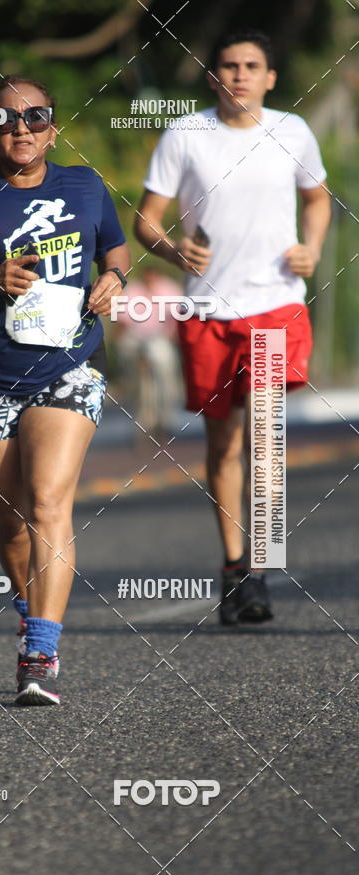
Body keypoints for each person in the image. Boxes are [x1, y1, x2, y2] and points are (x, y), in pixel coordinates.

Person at [0, 75, 129, 704]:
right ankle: (29, 603)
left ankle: (40, 650)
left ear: (53, 127)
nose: (22, 128)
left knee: (46, 502)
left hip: (70, 365)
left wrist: (116, 279)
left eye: (35, 117)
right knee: (11, 520)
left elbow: (115, 252)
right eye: (8, 119)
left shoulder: (86, 185)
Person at [134, 29, 331, 625]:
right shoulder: (185, 134)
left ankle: (260, 573)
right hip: (208, 313)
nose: (240, 74)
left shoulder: (291, 131)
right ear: (212, 74)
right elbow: (147, 221)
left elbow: (318, 198)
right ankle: (234, 565)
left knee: (265, 436)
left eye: (252, 65)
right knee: (223, 444)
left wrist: (312, 249)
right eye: (228, 65)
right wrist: (174, 252)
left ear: (270, 77)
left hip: (275, 305)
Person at [113, 265, 183, 438]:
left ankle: (166, 418)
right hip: (135, 339)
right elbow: (122, 323)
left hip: (161, 339)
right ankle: (142, 416)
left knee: (164, 366)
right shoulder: (133, 291)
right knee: (134, 377)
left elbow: (177, 320)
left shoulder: (170, 289)